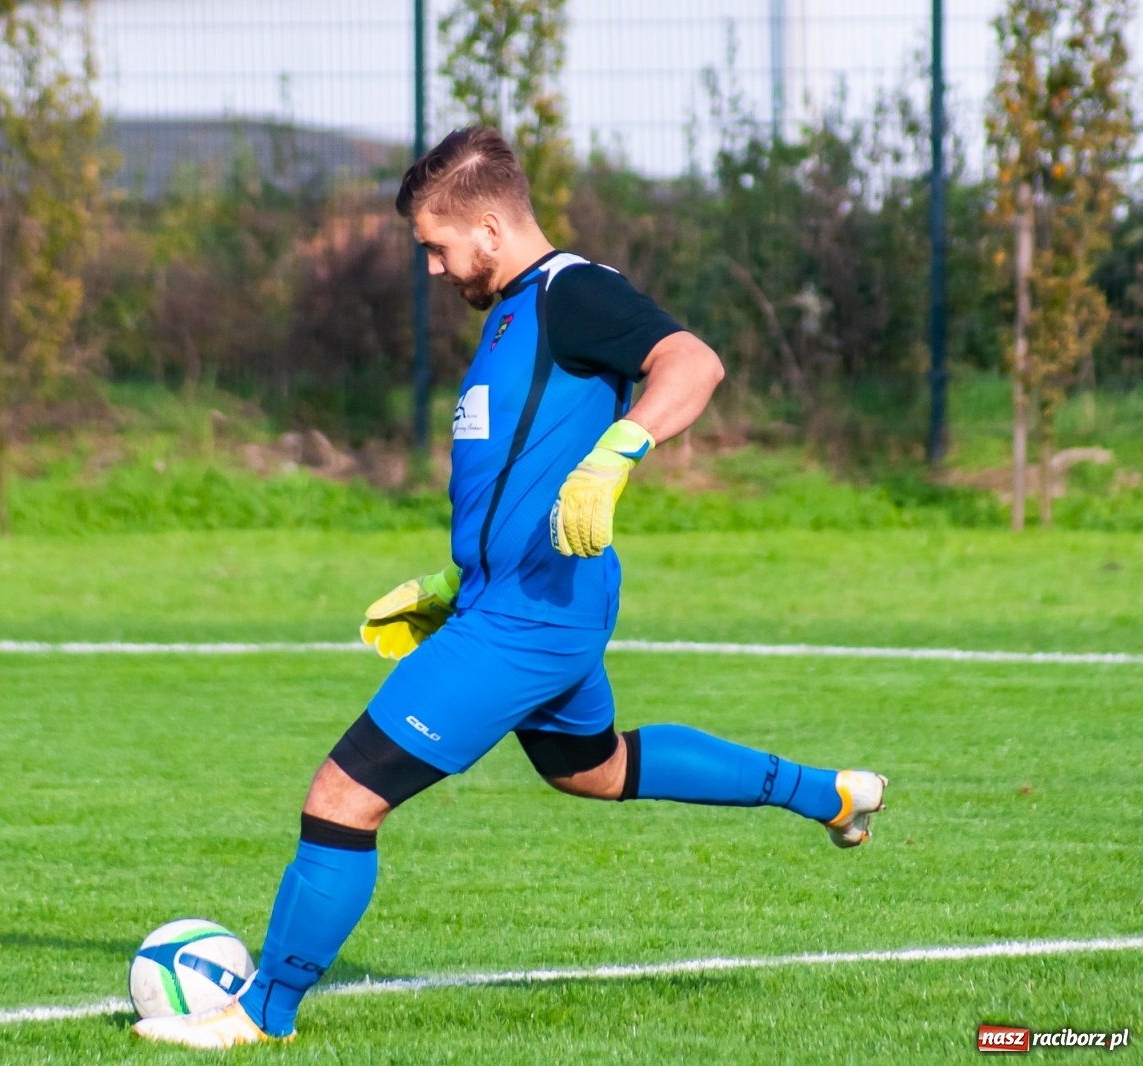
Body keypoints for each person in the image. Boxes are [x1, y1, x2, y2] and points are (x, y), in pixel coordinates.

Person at [133, 126, 887, 1049]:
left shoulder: (573, 291)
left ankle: (261, 1015)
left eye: (437, 247)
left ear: (489, 228)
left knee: (342, 797)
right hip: (526, 600)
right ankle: (830, 795)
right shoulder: (509, 315)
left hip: (530, 618)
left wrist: (620, 452)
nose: (435, 269)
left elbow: (693, 363)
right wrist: (457, 579)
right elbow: (520, 471)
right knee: (594, 770)